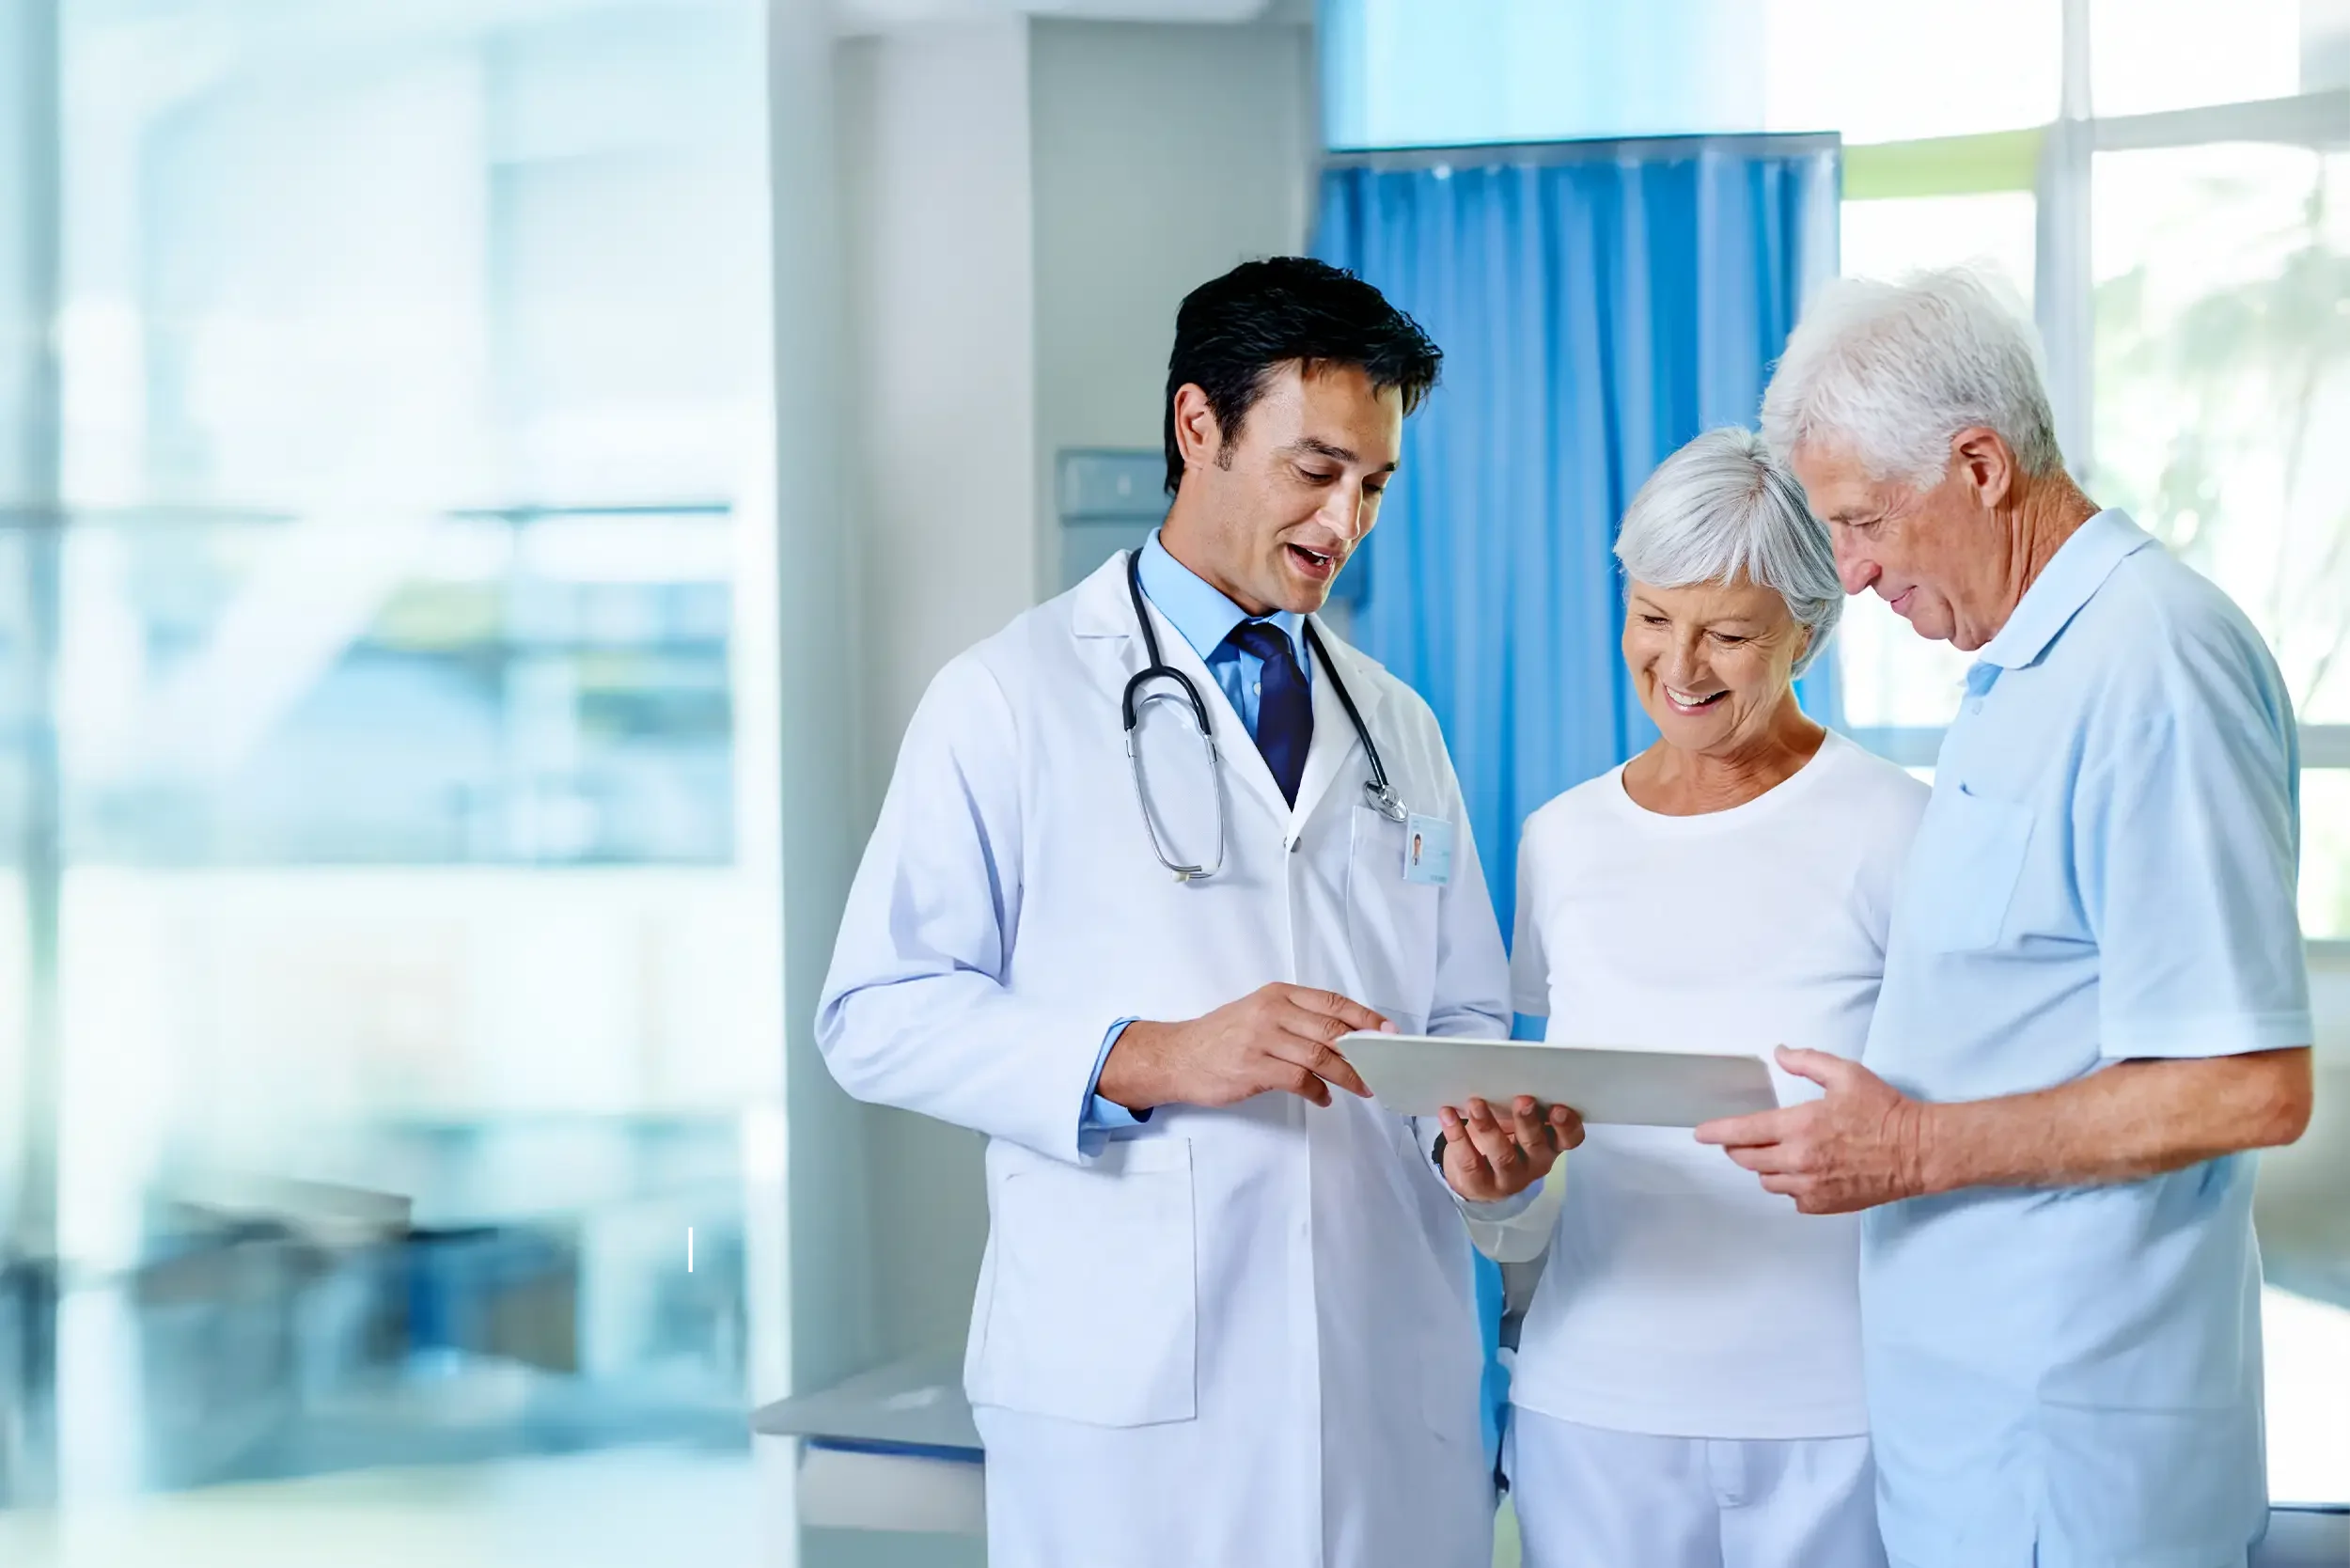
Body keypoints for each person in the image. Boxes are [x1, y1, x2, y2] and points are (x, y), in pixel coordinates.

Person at [817, 256, 1576, 1568]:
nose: (1347, 519)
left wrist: (1476, 1153)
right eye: (1316, 468)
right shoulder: (1010, 697)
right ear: (1198, 428)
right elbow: (874, 1013)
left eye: (1376, 485)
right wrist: (1152, 1055)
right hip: (1136, 1400)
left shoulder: (1395, 724)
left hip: (1382, 1389)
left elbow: (1452, 1018)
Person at [1696, 268, 2314, 1568]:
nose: (1850, 573)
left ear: (1980, 465)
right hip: (1978, 1442)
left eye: (1864, 522)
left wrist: (1911, 1150)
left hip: (2079, 1461)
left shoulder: (2153, 660)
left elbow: (2244, 1088)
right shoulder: (2021, 670)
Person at [1493, 429, 1925, 1568]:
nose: (1679, 667)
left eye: (1727, 634)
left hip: (1841, 1409)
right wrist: (1500, 1178)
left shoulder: (1898, 829)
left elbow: (1953, 1122)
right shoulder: (1562, 839)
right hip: (1594, 1404)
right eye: (1651, 618)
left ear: (1808, 630)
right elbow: (1535, 1127)